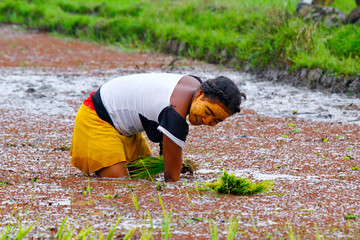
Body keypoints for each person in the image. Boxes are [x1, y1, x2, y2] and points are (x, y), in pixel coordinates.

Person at [70, 73, 246, 182]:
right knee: (120, 184)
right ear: (200, 94)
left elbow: (168, 148)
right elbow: (172, 180)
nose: (207, 121)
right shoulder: (174, 112)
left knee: (145, 175)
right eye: (208, 111)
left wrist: (173, 165)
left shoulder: (193, 84)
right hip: (97, 119)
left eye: (216, 121)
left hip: (125, 129)